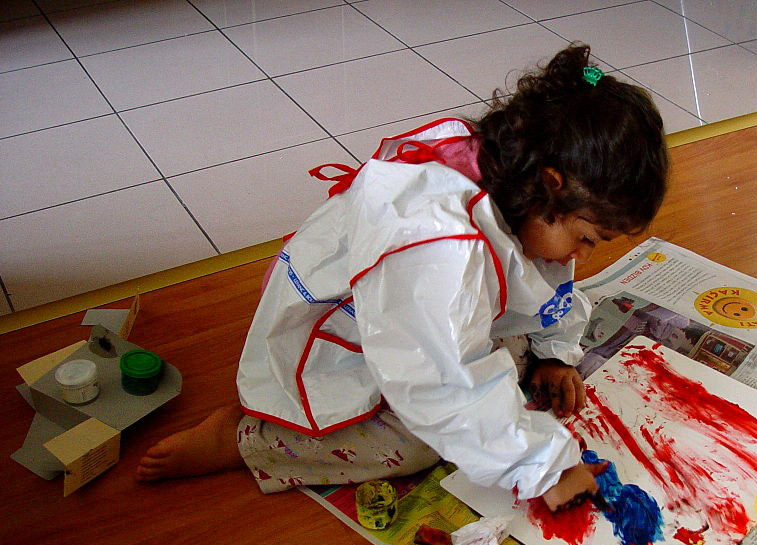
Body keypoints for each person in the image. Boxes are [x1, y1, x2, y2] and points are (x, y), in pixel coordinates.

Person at [137, 43, 669, 512]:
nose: (581, 254)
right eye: (588, 239)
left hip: (424, 313)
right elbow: (439, 385)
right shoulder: (436, 241)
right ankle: (248, 439)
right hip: (348, 337)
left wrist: (555, 350)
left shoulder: (525, 183)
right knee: (419, 443)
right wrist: (545, 468)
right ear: (551, 185)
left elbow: (549, 275)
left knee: (512, 363)